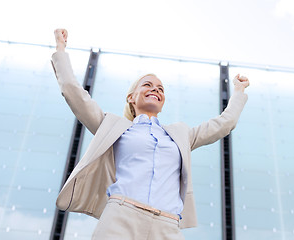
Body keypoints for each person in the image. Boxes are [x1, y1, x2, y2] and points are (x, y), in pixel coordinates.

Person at [52, 29, 249, 240]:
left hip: (167, 226)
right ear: (131, 97)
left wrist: (238, 92)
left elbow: (223, 124)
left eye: (160, 89)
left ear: (162, 102)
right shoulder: (112, 126)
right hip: (120, 218)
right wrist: (61, 49)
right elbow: (74, 93)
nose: (155, 89)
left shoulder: (181, 135)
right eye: (147, 85)